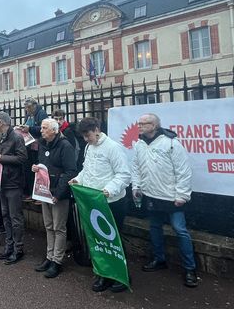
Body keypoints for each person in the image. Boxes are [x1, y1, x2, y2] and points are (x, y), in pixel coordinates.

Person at [131, 113, 198, 288]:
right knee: (154, 227)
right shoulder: (139, 144)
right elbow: (136, 167)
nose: (139, 126)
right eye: (139, 124)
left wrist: (182, 195)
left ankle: (190, 268)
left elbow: (183, 170)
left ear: (153, 125)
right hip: (151, 194)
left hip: (171, 196)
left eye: (143, 124)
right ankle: (159, 259)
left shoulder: (171, 143)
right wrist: (136, 187)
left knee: (180, 230)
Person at [69, 117, 131, 292]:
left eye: (87, 134)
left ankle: (121, 275)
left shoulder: (113, 147)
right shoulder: (89, 147)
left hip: (112, 202)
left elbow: (124, 175)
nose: (86, 139)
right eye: (83, 136)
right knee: (98, 240)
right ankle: (104, 274)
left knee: (113, 240)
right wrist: (78, 179)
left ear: (96, 129)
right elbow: (87, 169)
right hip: (94, 202)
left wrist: (109, 190)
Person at [32, 118, 76, 278]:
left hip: (59, 195)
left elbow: (71, 171)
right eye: (42, 128)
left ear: (54, 130)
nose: (41, 130)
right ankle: (49, 257)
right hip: (45, 193)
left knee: (59, 228)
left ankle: (57, 261)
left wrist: (58, 193)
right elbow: (44, 166)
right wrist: (36, 168)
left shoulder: (65, 146)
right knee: (49, 226)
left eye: (44, 128)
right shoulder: (43, 145)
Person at [0, 111, 27, 265]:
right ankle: (9, 246)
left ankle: (18, 249)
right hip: (3, 182)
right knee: (5, 215)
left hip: (14, 183)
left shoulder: (17, 137)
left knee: (15, 218)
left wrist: (2, 158)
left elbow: (22, 158)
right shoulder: (1, 137)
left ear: (2, 122)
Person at [20, 98, 47, 200]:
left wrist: (30, 129)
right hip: (29, 146)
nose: (27, 109)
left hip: (38, 147)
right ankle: (30, 192)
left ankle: (37, 194)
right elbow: (27, 126)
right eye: (26, 108)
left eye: (29, 107)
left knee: (37, 169)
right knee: (28, 170)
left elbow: (43, 128)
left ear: (35, 105)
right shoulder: (28, 115)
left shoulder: (41, 113)